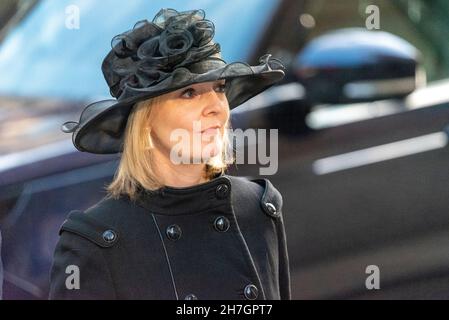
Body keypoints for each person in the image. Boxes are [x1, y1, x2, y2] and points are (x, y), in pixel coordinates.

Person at [49, 8, 290, 300]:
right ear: (145, 119)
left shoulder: (258, 208)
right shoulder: (94, 243)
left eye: (219, 87)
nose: (216, 106)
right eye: (189, 93)